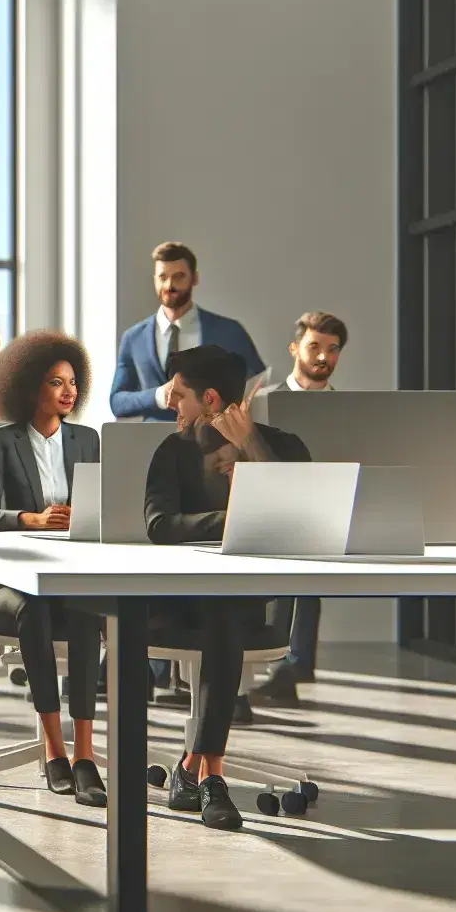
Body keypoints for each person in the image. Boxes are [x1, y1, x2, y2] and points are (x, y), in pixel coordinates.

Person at [145, 344, 311, 830]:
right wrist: (236, 516)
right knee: (222, 610)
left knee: (226, 608)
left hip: (242, 605)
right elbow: (160, 524)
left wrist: (254, 448)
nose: (172, 406)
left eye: (180, 397)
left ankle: (193, 766)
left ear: (211, 399)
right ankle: (210, 776)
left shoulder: (283, 446)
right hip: (177, 602)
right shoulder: (172, 451)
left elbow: (302, 510)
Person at [0, 330, 107, 807]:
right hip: (13, 575)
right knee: (35, 609)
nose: (69, 391)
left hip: (70, 566)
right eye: (56, 382)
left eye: (73, 382)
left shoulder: (87, 440)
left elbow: (102, 506)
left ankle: (86, 755)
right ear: (31, 388)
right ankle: (55, 748)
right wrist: (31, 518)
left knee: (88, 613)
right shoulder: (3, 441)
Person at [252, 311, 347, 706]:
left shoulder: (346, 410)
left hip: (320, 508)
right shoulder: (263, 402)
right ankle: (262, 671)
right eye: (314, 346)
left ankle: (292, 668)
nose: (322, 356)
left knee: (308, 587)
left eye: (332, 349)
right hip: (266, 507)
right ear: (295, 348)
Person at [110, 242, 265, 421]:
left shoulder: (229, 331)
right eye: (163, 277)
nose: (169, 285)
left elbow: (260, 386)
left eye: (179, 276)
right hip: (152, 445)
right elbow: (117, 402)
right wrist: (159, 395)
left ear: (195, 278)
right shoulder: (133, 338)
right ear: (154, 279)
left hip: (216, 442)